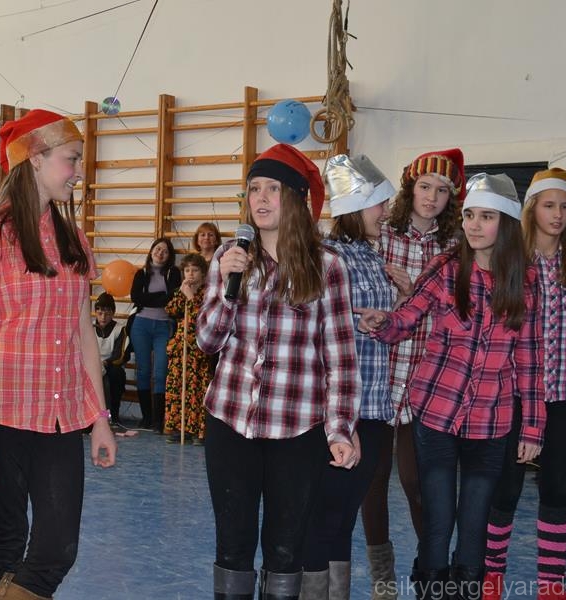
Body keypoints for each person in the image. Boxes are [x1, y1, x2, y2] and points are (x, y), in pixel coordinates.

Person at [357, 173, 546, 600]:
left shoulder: (528, 281)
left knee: (475, 524)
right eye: (470, 215)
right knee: (438, 522)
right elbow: (407, 318)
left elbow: (531, 359)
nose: (474, 225)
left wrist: (533, 427)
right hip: (436, 414)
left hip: (491, 421)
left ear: (507, 223)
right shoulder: (445, 268)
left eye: (486, 217)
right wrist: (381, 323)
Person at [0, 109, 117, 600]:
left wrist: (100, 419)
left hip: (61, 417)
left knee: (57, 548)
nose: (78, 171)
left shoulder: (74, 239)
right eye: (72, 159)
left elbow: (84, 334)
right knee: (5, 540)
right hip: (1, 416)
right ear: (35, 160)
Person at [197, 143, 359, 600]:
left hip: (297, 429)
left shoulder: (327, 266)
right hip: (230, 421)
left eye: (272, 189)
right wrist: (227, 287)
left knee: (286, 549)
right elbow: (207, 340)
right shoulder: (229, 256)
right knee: (232, 546)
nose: (261, 198)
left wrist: (340, 430)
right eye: (254, 189)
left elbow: (341, 359)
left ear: (295, 199)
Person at [481, 168, 566, 600]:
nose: (557, 214)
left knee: (555, 488)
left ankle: (551, 583)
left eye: (565, 207)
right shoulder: (512, 263)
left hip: (562, 395)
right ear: (532, 210)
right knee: (506, 487)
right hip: (515, 395)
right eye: (549, 205)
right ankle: (492, 575)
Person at [362, 148, 465, 598]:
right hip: (376, 377)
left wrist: (414, 292)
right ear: (410, 188)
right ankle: (383, 581)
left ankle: (432, 571)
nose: (432, 197)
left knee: (418, 484)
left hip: (425, 382)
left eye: (442, 190)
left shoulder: (456, 246)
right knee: (371, 484)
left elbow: (459, 314)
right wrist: (398, 298)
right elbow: (360, 300)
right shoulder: (381, 234)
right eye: (425, 186)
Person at [300, 155, 397, 599]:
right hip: (343, 412)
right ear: (356, 207)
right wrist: (341, 422)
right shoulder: (326, 257)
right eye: (380, 203)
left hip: (375, 408)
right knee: (325, 516)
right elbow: (312, 332)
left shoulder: (372, 255)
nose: (387, 211)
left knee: (343, 517)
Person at [130, 237, 182, 431]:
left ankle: (159, 421)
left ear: (169, 256)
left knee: (161, 373)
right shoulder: (141, 273)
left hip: (163, 326)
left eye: (165, 251)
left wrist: (150, 299)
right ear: (151, 251)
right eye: (158, 249)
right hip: (141, 325)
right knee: (143, 371)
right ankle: (146, 418)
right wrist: (160, 297)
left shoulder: (173, 273)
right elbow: (136, 298)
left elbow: (172, 297)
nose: (160, 253)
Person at [164, 252, 211, 445]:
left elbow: (200, 319)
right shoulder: (182, 290)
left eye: (195, 270)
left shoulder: (208, 293)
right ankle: (179, 428)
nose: (190, 274)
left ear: (203, 273)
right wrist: (182, 294)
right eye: (187, 270)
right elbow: (171, 310)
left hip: (198, 348)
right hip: (180, 347)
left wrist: (191, 298)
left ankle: (198, 430)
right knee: (177, 388)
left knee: (197, 390)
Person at [93, 292, 130, 428]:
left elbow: (120, 355)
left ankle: (111, 416)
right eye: (100, 313)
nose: (103, 317)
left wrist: (105, 363)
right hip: (93, 366)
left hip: (110, 366)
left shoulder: (120, 329)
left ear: (113, 313)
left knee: (113, 377)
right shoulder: (90, 328)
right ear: (96, 312)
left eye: (107, 314)